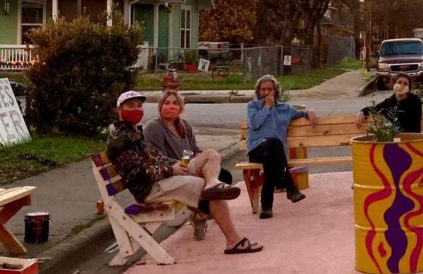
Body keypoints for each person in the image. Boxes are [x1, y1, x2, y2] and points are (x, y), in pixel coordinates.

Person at [107, 91, 262, 255]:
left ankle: (213, 184)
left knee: (211, 159)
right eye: (130, 106)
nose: (136, 109)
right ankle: (233, 241)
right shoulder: (122, 139)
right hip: (150, 189)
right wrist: (171, 169)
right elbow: (136, 174)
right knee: (212, 192)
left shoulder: (135, 132)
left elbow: (160, 157)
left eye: (139, 106)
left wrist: (176, 165)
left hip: (165, 176)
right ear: (119, 109)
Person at [144, 89, 233, 241]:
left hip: (187, 165)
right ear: (160, 106)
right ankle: (204, 209)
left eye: (175, 103)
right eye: (166, 103)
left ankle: (204, 207)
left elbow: (192, 149)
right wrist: (177, 164)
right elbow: (156, 157)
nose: (170, 106)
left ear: (181, 108)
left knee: (223, 174)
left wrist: (198, 155)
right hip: (172, 171)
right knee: (212, 157)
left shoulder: (184, 125)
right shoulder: (154, 127)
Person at [246, 75, 318, 220]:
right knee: (275, 143)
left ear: (276, 91)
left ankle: (266, 208)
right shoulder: (252, 106)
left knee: (270, 161)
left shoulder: (285, 109)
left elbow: (302, 113)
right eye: (263, 89)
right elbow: (254, 123)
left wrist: (310, 112)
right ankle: (289, 186)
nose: (266, 92)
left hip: (274, 155)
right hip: (256, 149)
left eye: (269, 89)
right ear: (259, 92)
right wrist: (266, 107)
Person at [357, 72, 422, 133]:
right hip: (393, 138)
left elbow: (412, 124)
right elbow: (375, 108)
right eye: (399, 82)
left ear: (409, 88)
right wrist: (362, 112)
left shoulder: (415, 100)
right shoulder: (390, 101)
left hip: (411, 138)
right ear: (394, 85)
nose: (402, 85)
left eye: (405, 84)